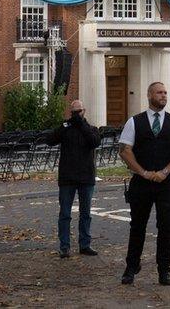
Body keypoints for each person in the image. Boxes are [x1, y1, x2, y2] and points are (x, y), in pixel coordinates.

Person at [118, 82, 170, 286]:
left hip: (167, 184)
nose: (163, 95)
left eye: (165, 92)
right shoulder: (135, 122)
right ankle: (131, 267)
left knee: (165, 227)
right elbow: (124, 150)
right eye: (159, 92)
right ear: (149, 95)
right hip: (141, 183)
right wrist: (143, 172)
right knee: (137, 226)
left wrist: (165, 171)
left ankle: (164, 270)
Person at [46, 100, 101, 258]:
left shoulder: (91, 129)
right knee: (65, 213)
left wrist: (81, 124)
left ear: (84, 111)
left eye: (79, 111)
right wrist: (65, 125)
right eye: (74, 112)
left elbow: (95, 142)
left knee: (85, 213)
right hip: (67, 177)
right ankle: (64, 246)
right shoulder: (66, 129)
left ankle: (85, 244)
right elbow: (50, 140)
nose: (77, 115)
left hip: (86, 177)